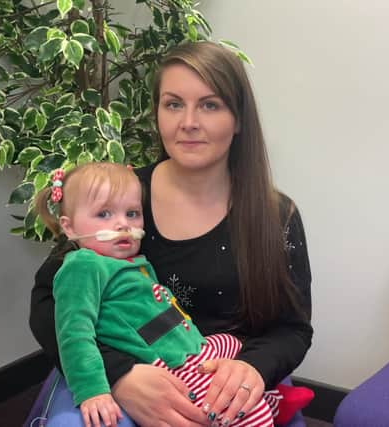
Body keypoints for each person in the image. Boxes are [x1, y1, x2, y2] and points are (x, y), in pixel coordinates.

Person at [29, 40, 313, 427]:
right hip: (112, 368)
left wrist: (253, 369)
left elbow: (293, 328)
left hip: (224, 375)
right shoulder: (122, 199)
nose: (188, 122)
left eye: (210, 105)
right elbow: (49, 300)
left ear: (239, 119)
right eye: (173, 104)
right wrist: (120, 375)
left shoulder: (276, 215)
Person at [33, 162, 304, 427]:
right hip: (165, 361)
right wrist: (98, 386)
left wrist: (253, 367)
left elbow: (293, 328)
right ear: (69, 228)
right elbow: (72, 331)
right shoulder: (84, 264)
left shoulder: (130, 260)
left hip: (194, 344)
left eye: (132, 214)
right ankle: (256, 414)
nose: (121, 225)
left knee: (230, 344)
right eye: (104, 214)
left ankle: (269, 398)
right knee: (218, 401)